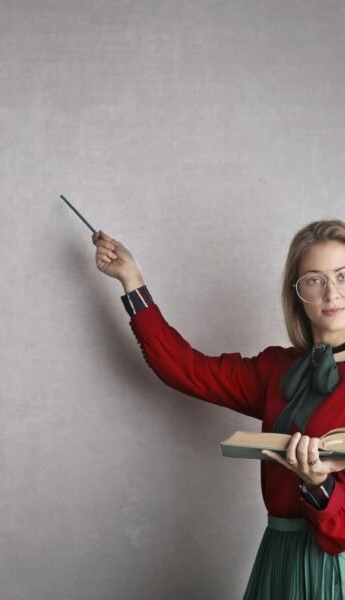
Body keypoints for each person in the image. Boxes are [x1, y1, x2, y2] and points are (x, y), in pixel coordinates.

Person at [92, 219, 345, 598]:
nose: (332, 294)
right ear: (296, 293)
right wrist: (132, 281)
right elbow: (185, 369)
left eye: (343, 275)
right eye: (314, 279)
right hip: (278, 556)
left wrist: (319, 485)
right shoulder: (276, 369)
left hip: (335, 561)